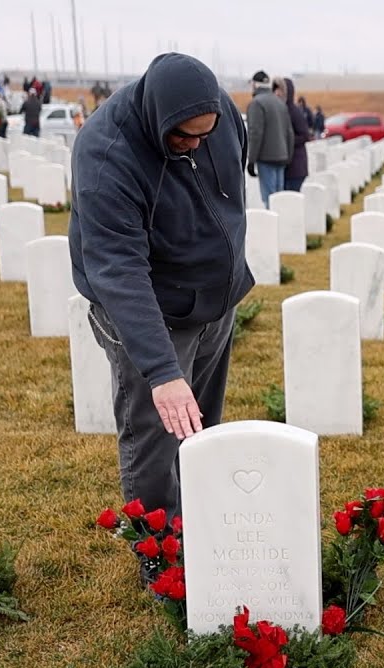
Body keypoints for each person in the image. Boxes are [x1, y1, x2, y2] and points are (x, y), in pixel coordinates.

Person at [67, 53, 255, 530]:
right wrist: (162, 371)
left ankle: (203, 526)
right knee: (156, 430)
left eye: (204, 135)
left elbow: (229, 187)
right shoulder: (107, 153)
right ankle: (161, 551)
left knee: (201, 425)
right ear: (157, 117)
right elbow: (118, 269)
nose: (195, 144)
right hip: (150, 312)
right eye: (183, 136)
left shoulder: (220, 115)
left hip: (214, 302)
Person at [245, 70, 293, 208]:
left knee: (270, 200)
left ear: (255, 84)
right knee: (280, 199)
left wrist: (251, 160)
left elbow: (255, 133)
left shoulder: (256, 104)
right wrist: (288, 156)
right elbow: (289, 132)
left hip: (266, 158)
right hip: (282, 156)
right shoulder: (280, 103)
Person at [276, 78, 308, 192]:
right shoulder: (283, 109)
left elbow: (305, 135)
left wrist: (286, 141)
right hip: (289, 166)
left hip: (296, 166)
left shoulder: (294, 111)